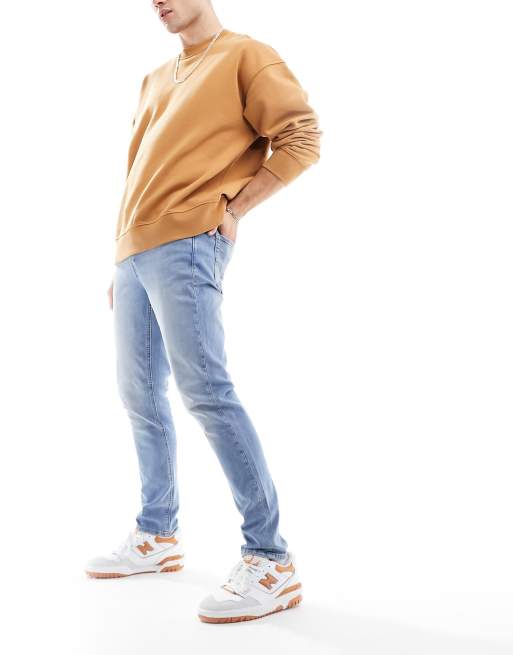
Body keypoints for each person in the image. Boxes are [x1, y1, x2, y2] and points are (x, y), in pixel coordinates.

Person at [85, 0, 322, 624]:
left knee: (206, 392)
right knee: (139, 394)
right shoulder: (154, 78)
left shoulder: (245, 55)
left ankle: (270, 558)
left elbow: (301, 137)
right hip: (135, 254)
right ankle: (157, 535)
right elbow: (139, 173)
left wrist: (235, 208)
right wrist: (121, 257)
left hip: (189, 243)